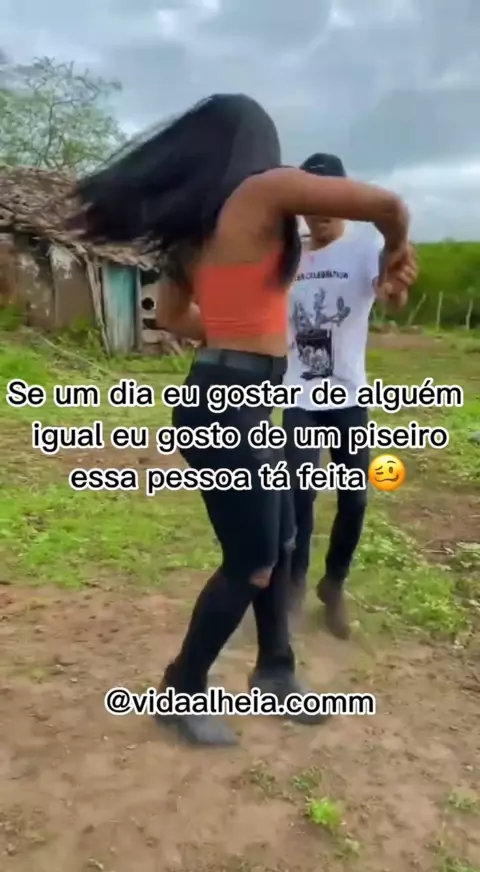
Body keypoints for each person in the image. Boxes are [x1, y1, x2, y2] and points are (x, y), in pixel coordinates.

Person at [68, 94, 413, 747]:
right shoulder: (266, 191)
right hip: (233, 402)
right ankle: (181, 687)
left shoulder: (196, 230)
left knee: (281, 539)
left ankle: (275, 670)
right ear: (256, 146)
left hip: (226, 395)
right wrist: (396, 249)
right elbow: (388, 206)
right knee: (253, 559)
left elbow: (173, 318)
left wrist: (235, 334)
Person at [283, 153, 417, 639]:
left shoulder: (365, 247)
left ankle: (333, 584)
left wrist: (396, 287)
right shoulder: (287, 253)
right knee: (299, 494)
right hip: (298, 395)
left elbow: (393, 294)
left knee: (355, 498)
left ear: (344, 198)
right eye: (309, 199)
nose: (319, 210)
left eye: (329, 198)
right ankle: (294, 585)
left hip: (348, 397)